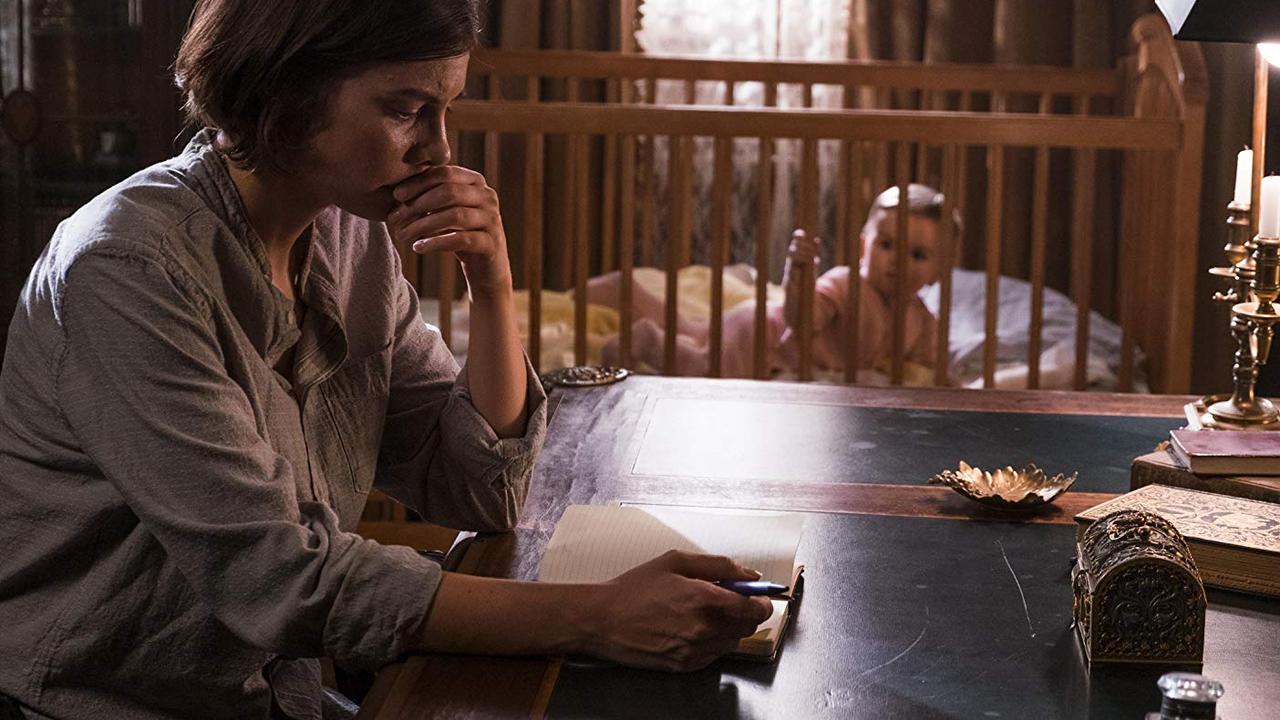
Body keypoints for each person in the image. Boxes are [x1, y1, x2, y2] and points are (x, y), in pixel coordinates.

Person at [0, 2, 770, 719]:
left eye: (445, 110)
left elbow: (481, 491)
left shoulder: (350, 238)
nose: (439, 150)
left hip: (283, 696)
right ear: (286, 92)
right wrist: (596, 616)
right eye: (407, 111)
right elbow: (284, 580)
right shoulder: (126, 269)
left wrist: (491, 284)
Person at [602, 184, 950, 380]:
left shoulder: (919, 319)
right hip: (762, 338)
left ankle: (631, 294)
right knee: (703, 369)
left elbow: (935, 370)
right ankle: (647, 340)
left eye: (918, 255)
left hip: (759, 327)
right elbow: (801, 319)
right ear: (863, 247)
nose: (898, 262)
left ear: (937, 270)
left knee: (694, 330)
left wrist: (963, 389)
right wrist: (798, 275)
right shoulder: (848, 285)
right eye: (886, 245)